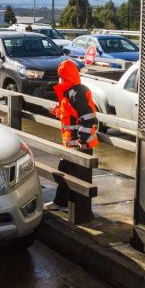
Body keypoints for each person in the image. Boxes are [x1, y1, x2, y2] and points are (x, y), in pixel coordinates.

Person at [48, 59, 99, 212]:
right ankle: (61, 203)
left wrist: (81, 141)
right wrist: (58, 112)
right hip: (71, 143)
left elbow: (89, 118)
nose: (59, 79)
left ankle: (77, 211)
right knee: (64, 170)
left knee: (75, 176)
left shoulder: (77, 93)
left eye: (61, 76)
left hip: (80, 144)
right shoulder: (70, 92)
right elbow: (72, 114)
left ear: (67, 76)